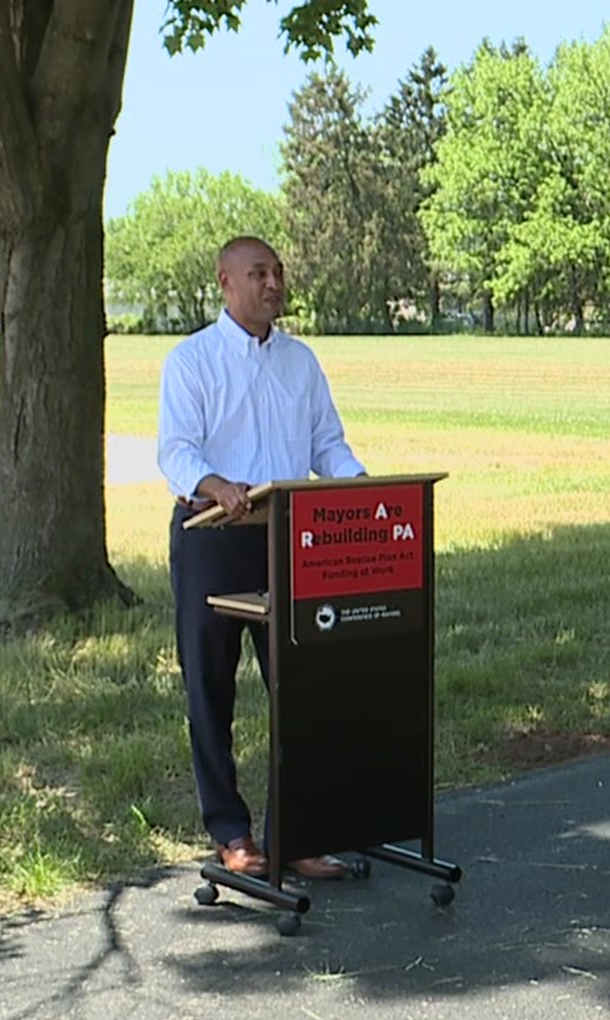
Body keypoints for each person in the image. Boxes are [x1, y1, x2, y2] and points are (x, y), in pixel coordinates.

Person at [158, 236, 365, 880]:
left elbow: (327, 444)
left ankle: (297, 834)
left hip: (287, 538)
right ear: (225, 281)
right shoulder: (191, 360)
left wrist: (364, 491)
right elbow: (176, 450)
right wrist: (214, 483)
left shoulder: (301, 362)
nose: (273, 283)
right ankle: (233, 835)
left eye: (277, 272)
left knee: (302, 692)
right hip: (214, 533)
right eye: (258, 274)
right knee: (211, 690)